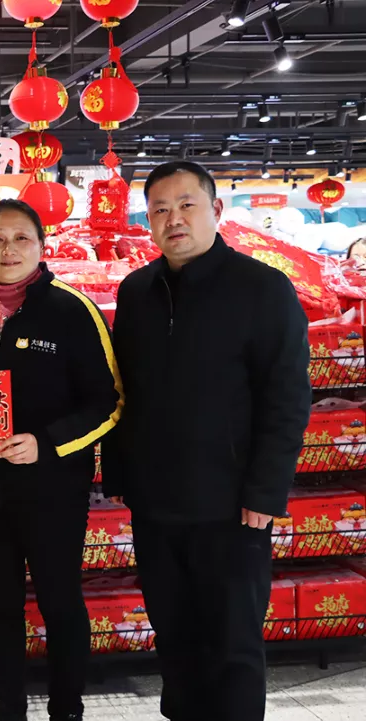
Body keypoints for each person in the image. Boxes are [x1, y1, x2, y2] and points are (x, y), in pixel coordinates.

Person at [102, 161, 311, 721]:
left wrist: (265, 491)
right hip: (156, 504)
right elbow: (125, 388)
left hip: (232, 506)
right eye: (160, 209)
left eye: (186, 205)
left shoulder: (262, 288)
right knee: (174, 638)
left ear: (216, 210)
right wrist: (121, 474)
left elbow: (287, 398)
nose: (174, 219)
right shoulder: (137, 290)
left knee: (233, 644)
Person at [0, 199, 123, 721]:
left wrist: (46, 443)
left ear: (41, 246)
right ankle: (8, 707)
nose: (9, 250)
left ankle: (66, 707)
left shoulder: (71, 310)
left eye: (21, 238)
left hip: (54, 492)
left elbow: (108, 400)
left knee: (59, 602)